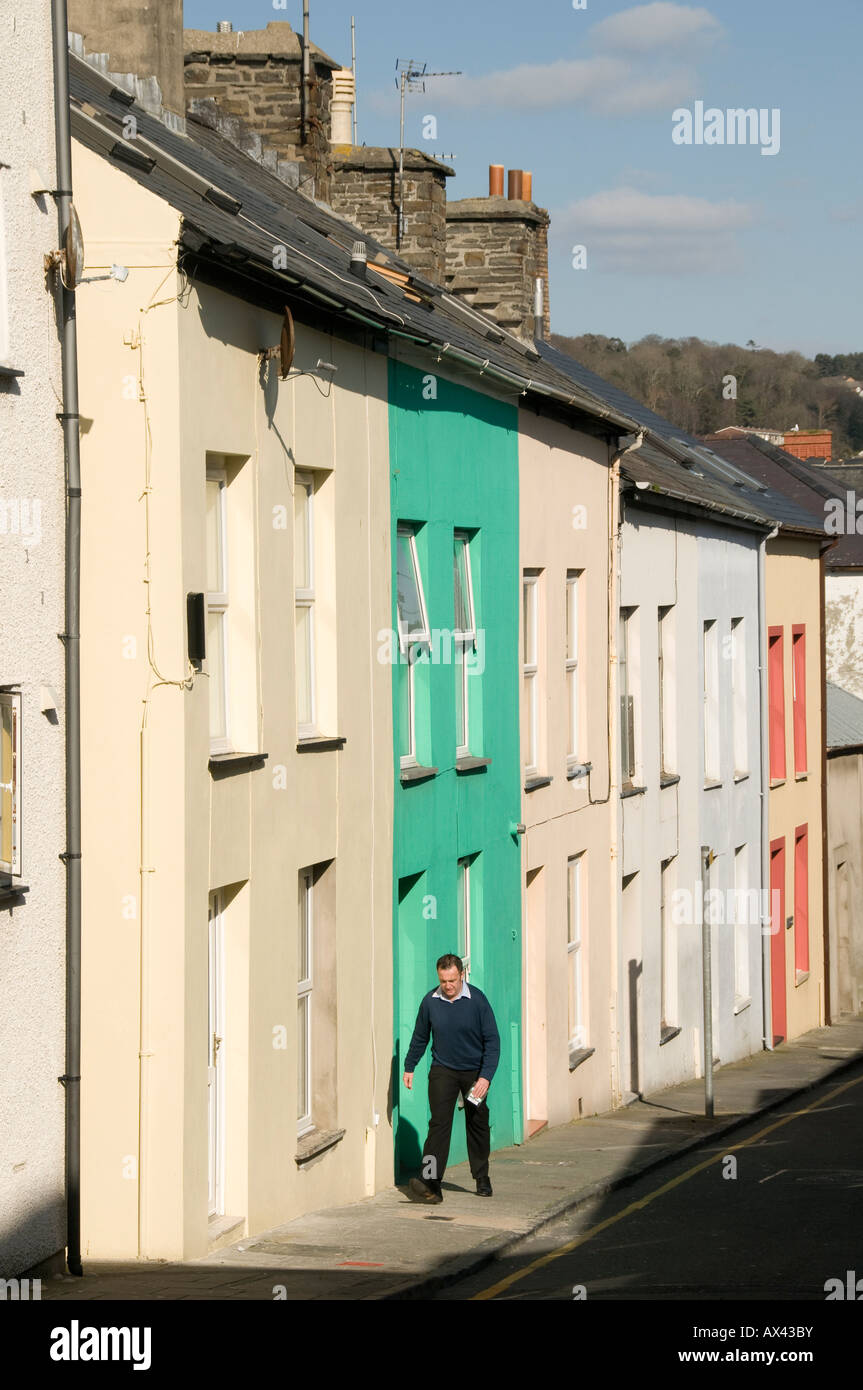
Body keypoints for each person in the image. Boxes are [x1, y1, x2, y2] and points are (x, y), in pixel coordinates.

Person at [402, 953, 500, 1202]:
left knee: (477, 1121)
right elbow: (420, 1036)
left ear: (462, 975)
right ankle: (430, 1182)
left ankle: (482, 1177)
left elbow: (492, 1041)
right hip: (443, 1070)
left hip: (474, 1074)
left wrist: (485, 1078)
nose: (447, 986)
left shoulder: (477, 1001)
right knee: (438, 1126)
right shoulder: (430, 1002)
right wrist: (409, 1066)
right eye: (443, 981)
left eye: (452, 980)